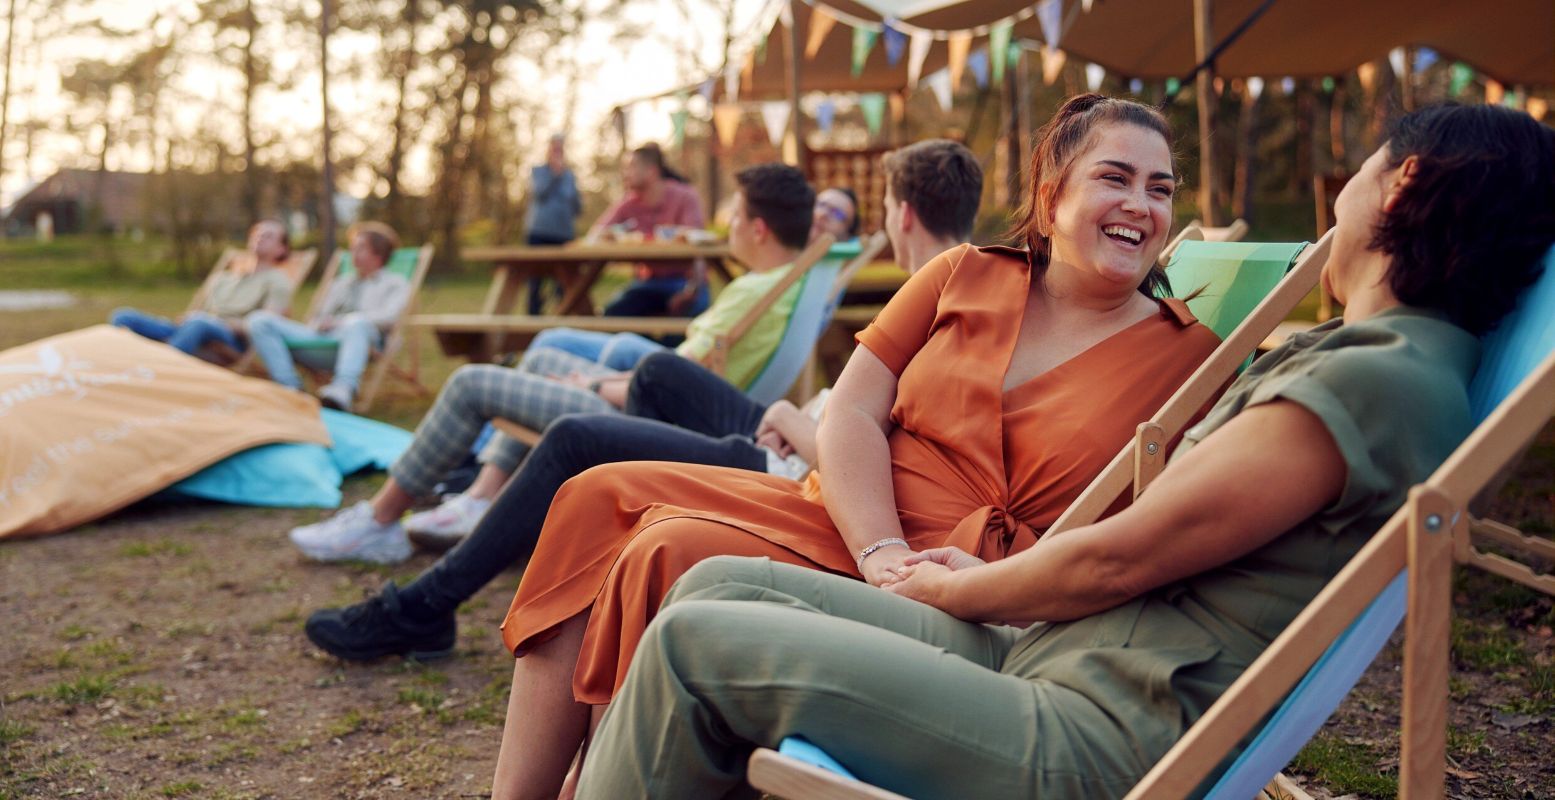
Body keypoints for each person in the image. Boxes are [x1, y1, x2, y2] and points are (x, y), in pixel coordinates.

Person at [573, 102, 1555, 799]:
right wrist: (972, 578)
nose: (1338, 199)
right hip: (1060, 654)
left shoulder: (1374, 382)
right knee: (712, 589)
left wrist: (955, 585)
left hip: (1094, 730)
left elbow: (1119, 552)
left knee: (696, 646)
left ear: (1406, 187)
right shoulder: (1371, 362)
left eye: (1361, 173)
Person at [488, 96, 1227, 799]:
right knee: (594, 494)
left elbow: (1169, 537)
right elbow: (850, 412)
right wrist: (875, 546)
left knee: (667, 550)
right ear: (1050, 191)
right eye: (1115, 177)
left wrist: (985, 583)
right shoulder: (963, 274)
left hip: (969, 579)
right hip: (857, 516)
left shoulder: (1193, 359)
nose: (1141, 204)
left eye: (1159, 189)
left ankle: (602, 782)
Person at [299, 139, 986, 662]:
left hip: (799, 466)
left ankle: (424, 606)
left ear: (899, 212)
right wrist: (801, 418)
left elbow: (886, 454)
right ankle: (476, 500)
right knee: (659, 368)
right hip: (797, 435)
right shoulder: (967, 292)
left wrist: (799, 426)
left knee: (575, 436)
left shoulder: (929, 301)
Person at [286, 164, 816, 565]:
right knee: (540, 352)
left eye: (737, 217)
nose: (730, 227)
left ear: (760, 228)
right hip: (665, 407)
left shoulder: (749, 292)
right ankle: (479, 496)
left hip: (652, 421)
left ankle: (380, 520)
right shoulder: (788, 284)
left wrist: (596, 382)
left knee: (472, 382)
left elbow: (682, 384)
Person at [245, 221, 410, 412]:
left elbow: (390, 317)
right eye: (353, 248)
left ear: (379, 254)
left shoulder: (395, 284)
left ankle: (343, 389)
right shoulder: (341, 283)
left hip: (364, 343)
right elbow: (317, 315)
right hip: (323, 338)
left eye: (360, 248)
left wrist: (345, 321)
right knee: (260, 320)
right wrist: (320, 322)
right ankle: (290, 388)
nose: (353, 253)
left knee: (357, 322)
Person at [111, 220, 293, 356]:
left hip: (231, 340)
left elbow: (267, 326)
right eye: (257, 233)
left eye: (269, 236)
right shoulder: (224, 278)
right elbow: (200, 312)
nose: (260, 237)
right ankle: (119, 365)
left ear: (281, 249)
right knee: (124, 316)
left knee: (199, 323)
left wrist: (219, 323)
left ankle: (161, 366)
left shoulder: (277, 281)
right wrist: (190, 319)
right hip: (195, 327)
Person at [589, 143, 708, 317]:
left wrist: (692, 288)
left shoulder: (685, 196)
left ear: (651, 171)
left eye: (631, 167)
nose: (625, 174)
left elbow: (698, 247)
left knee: (691, 317)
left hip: (683, 281)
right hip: (647, 283)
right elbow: (596, 234)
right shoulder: (628, 203)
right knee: (612, 314)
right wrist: (613, 235)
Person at [524, 134, 583, 315]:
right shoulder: (538, 171)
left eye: (561, 149)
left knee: (563, 282)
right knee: (536, 280)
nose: (558, 152)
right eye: (555, 148)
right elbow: (539, 193)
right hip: (539, 232)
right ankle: (533, 319)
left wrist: (578, 200)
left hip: (564, 234)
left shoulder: (570, 176)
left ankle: (561, 317)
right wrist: (554, 175)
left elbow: (577, 207)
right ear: (548, 150)